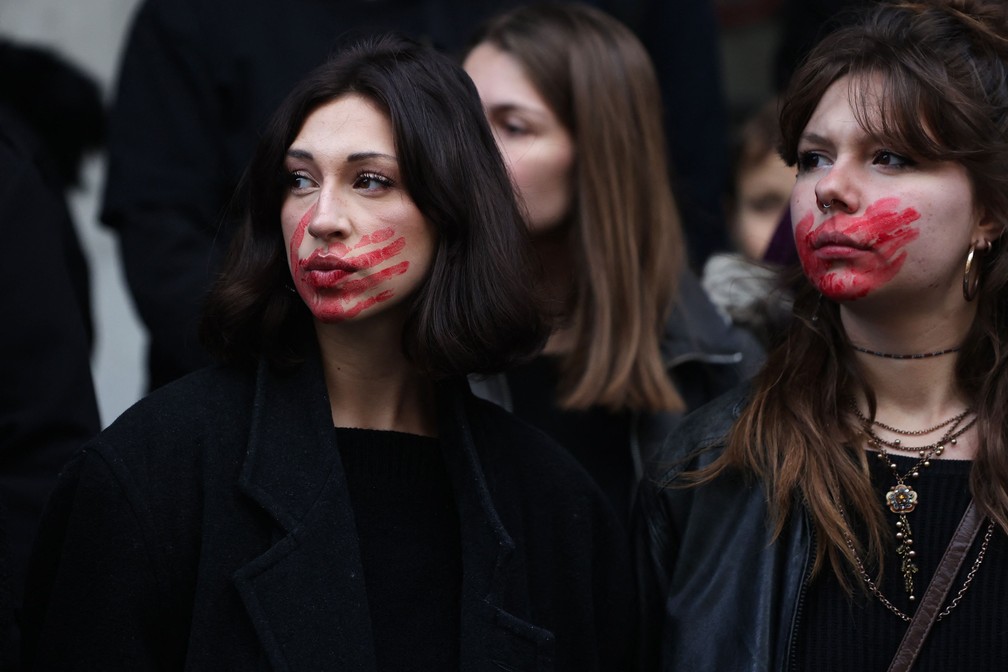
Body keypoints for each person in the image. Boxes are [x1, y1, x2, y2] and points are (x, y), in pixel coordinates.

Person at [22, 36, 634, 670]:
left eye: (370, 180)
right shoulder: (152, 472)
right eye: (299, 180)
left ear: (455, 210)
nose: (322, 218)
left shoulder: (558, 507)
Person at [636, 1, 1008, 670]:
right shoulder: (708, 468)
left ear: (989, 210)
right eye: (812, 158)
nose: (830, 189)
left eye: (890, 157)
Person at [462, 2, 762, 525]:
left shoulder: (718, 366)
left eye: (513, 126)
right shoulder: (418, 349)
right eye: (459, 120)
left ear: (599, 153)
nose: (467, 150)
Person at [702, 97, 795, 348]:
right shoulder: (705, 334)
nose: (790, 227)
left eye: (816, 200)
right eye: (765, 204)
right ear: (732, 216)